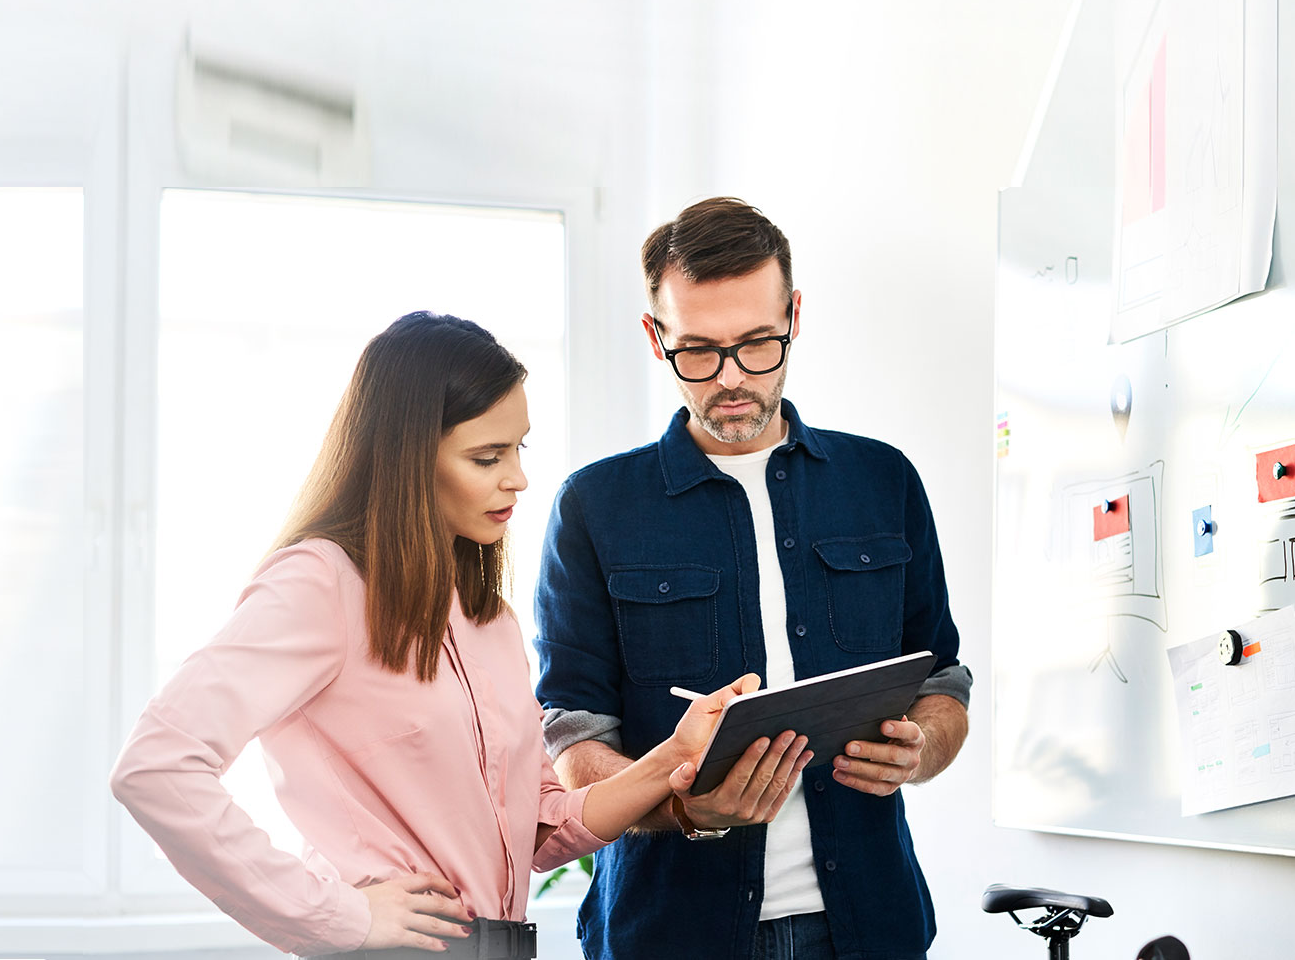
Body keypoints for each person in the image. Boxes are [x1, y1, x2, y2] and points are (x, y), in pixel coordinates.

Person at [111, 311, 813, 959]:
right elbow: (156, 766)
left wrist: (674, 756)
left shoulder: (488, 619)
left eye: (520, 447)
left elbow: (542, 825)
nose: (519, 477)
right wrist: (335, 915)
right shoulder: (319, 584)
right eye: (488, 457)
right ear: (409, 455)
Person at [534, 198, 974, 960]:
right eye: (699, 351)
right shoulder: (595, 506)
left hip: (871, 928)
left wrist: (924, 746)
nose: (731, 378)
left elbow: (943, 680)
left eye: (757, 344)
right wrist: (678, 799)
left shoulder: (883, 480)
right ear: (655, 336)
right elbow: (574, 738)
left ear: (794, 316)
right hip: (669, 934)